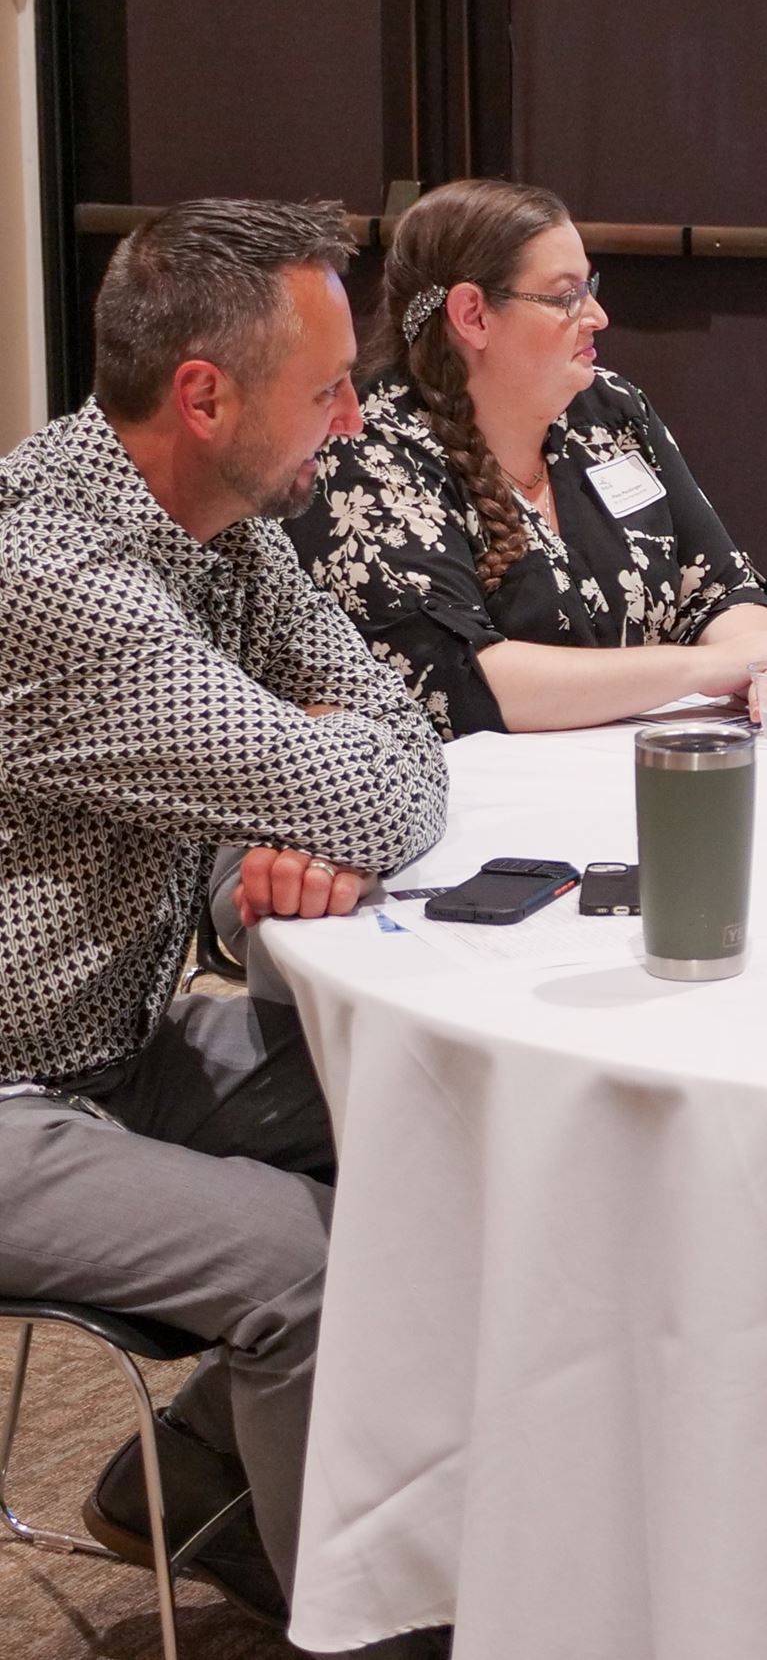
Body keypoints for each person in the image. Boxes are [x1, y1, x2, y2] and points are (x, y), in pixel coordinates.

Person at [0, 200, 449, 1641]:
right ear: (206, 395)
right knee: (306, 1265)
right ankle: (364, 1620)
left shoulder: (226, 534)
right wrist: (310, 786)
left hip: (116, 1042)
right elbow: (378, 796)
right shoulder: (51, 578)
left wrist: (301, 794)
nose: (354, 413)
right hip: (17, 1090)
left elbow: (401, 734)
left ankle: (192, 1473)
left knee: (446, 1116)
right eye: (326, 386)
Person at [288, 179, 767, 739]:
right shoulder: (367, 451)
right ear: (473, 316)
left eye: (590, 287)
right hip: (485, 805)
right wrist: (710, 669)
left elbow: (718, 588)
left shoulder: (608, 410)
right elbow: (459, 681)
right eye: (566, 296)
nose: (598, 315)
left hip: (638, 767)